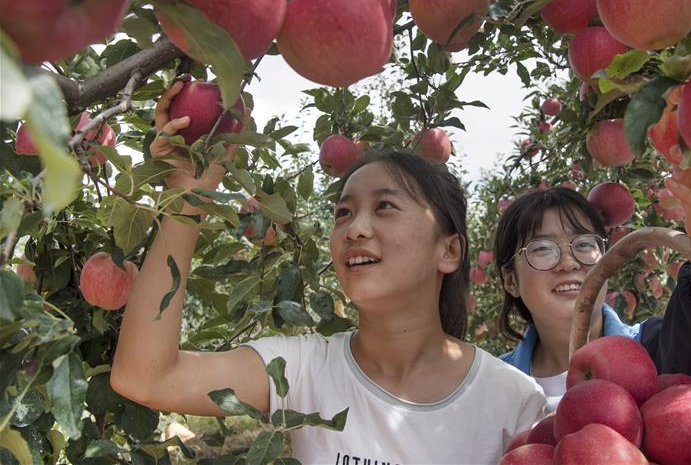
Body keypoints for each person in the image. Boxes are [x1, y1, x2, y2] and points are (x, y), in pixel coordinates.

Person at [111, 81, 545, 464]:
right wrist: (188, 195)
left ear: (449, 250)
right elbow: (146, 375)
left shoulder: (513, 403)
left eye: (385, 206)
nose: (354, 228)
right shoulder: (302, 369)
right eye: (343, 212)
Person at [495, 148, 691, 412]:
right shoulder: (492, 388)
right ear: (510, 280)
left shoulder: (650, 349)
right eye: (543, 249)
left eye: (583, 245)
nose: (568, 263)